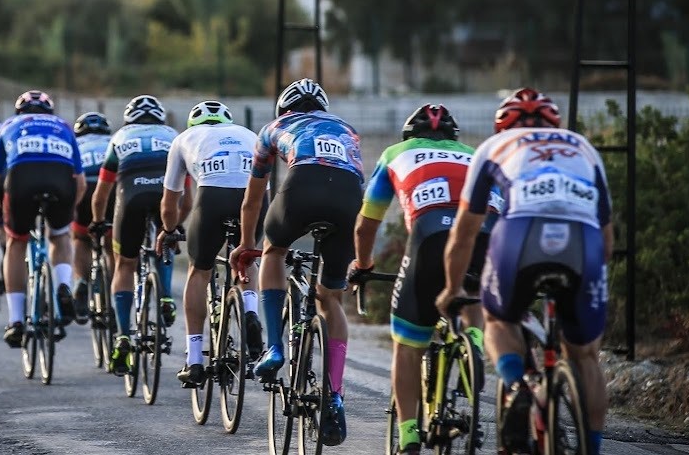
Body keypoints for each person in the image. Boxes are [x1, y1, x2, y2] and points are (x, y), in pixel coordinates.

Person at [436, 88, 612, 455]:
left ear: (503, 126)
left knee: (498, 320)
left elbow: (464, 233)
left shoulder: (493, 147)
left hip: (521, 235)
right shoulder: (583, 147)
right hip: (584, 243)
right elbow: (608, 237)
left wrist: (452, 289)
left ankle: (516, 387)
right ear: (555, 123)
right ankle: (591, 447)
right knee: (585, 356)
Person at [353, 104, 498, 455]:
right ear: (453, 137)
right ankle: (474, 343)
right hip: (488, 233)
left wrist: (363, 264)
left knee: (407, 345)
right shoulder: (474, 154)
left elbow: (367, 223)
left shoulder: (394, 154)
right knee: (471, 289)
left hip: (430, 236)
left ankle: (408, 435)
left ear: (410, 136)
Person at [231, 78, 364, 447]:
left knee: (273, 251)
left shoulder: (273, 129)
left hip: (301, 187)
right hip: (349, 198)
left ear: (283, 109)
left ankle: (274, 347)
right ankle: (334, 394)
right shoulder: (347, 130)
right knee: (330, 299)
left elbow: (252, 201)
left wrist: (246, 246)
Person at [158, 100, 264, 387]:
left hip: (212, 196)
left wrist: (169, 230)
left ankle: (194, 360)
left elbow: (170, 202)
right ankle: (251, 312)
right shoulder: (248, 134)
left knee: (199, 270)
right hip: (253, 197)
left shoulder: (183, 139)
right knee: (247, 257)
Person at [0, 90, 85, 348]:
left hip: (22, 180)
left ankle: (16, 320)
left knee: (16, 243)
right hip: (61, 181)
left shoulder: (9, 125)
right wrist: (68, 211)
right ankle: (62, 286)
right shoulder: (63, 126)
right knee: (60, 237)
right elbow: (80, 183)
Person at [89, 94, 178, 375]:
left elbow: (102, 192)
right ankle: (165, 298)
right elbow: (185, 191)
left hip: (130, 198)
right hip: (164, 196)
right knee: (167, 239)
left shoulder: (119, 137)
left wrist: (98, 221)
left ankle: (123, 335)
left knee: (125, 264)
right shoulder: (173, 136)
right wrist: (175, 224)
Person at [68, 111, 113, 319]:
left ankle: (82, 282)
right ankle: (114, 290)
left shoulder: (74, 145)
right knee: (112, 244)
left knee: (81, 238)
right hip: (111, 188)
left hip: (84, 188)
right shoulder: (113, 141)